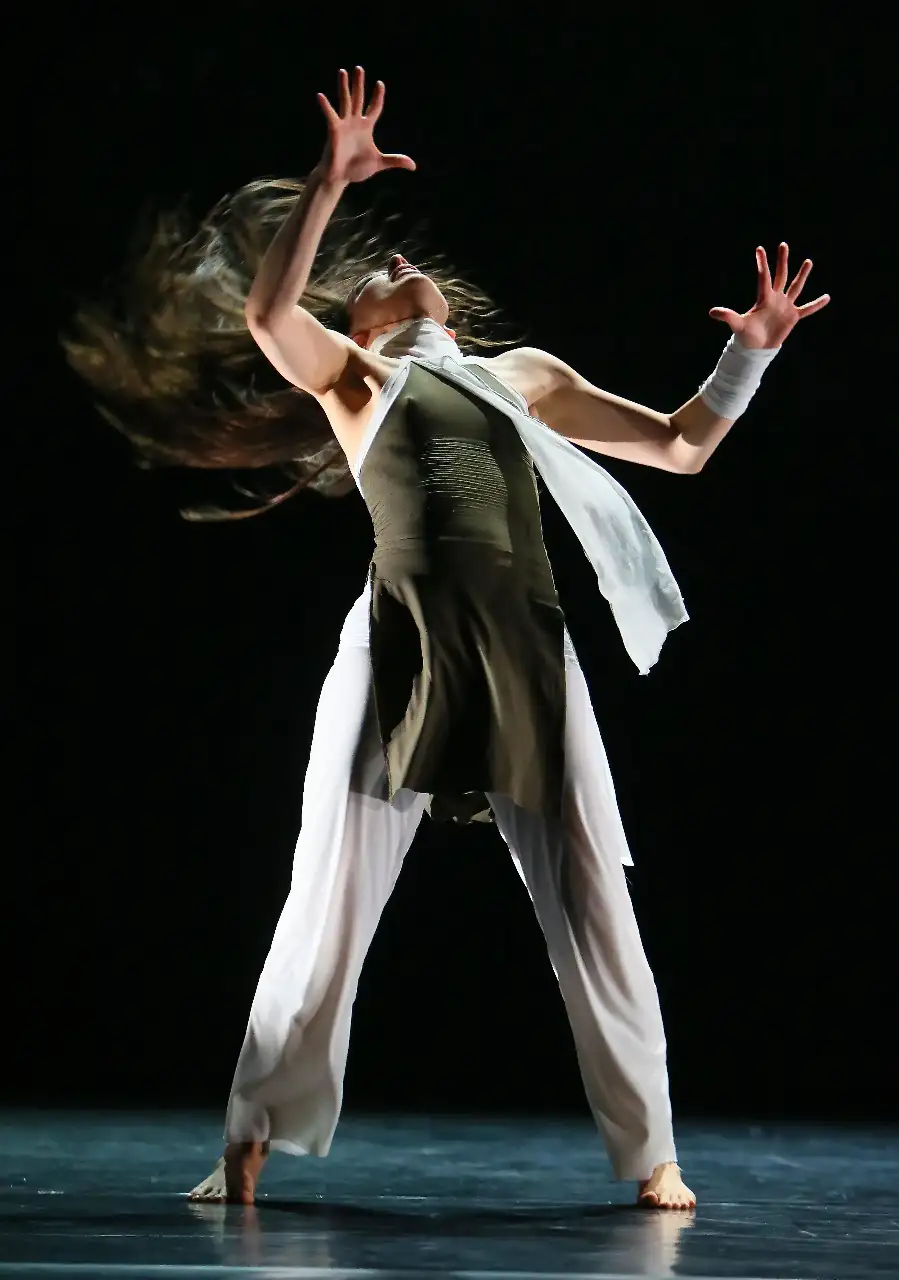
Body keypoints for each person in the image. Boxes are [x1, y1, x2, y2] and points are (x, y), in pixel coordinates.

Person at [64, 67, 829, 1211]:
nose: (387, 272)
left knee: (594, 899)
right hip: (397, 646)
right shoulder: (359, 378)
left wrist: (751, 351)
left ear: (446, 310)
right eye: (369, 280)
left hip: (529, 651)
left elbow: (679, 447)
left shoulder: (523, 378)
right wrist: (326, 186)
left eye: (392, 268)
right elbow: (273, 320)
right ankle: (250, 1138)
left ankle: (652, 1150)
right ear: (367, 325)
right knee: (323, 896)